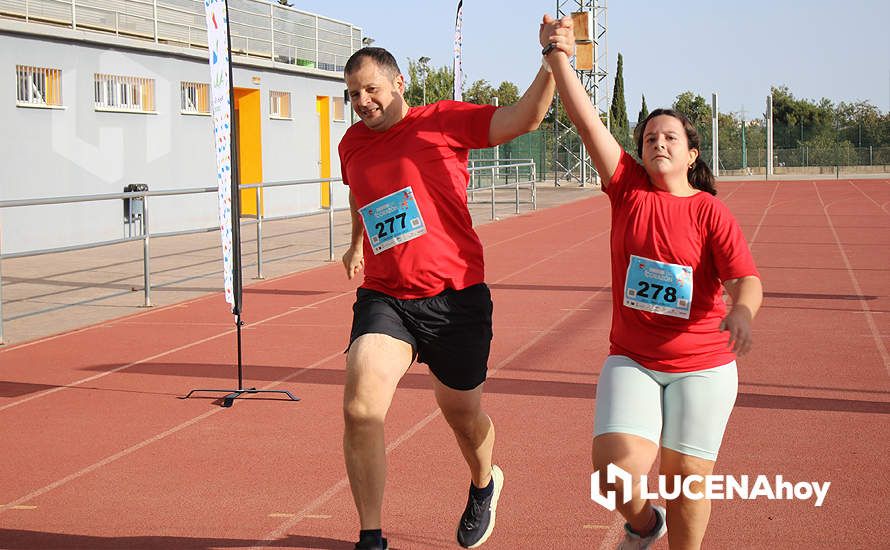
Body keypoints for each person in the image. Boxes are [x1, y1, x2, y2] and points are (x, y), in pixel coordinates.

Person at [541, 15, 764, 550]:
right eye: (649, 136)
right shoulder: (627, 190)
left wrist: (742, 311)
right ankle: (644, 524)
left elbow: (747, 279)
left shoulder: (711, 212)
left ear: (691, 153)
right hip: (634, 358)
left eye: (670, 136)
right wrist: (558, 58)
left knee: (687, 480)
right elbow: (588, 122)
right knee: (613, 474)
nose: (657, 142)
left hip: (703, 364)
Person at [338, 31, 558, 550]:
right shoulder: (351, 143)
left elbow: (524, 118)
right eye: (352, 94)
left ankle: (485, 483)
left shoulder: (442, 120)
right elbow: (360, 193)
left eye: (370, 89)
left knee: (463, 417)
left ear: (398, 82)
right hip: (386, 295)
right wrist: (354, 245)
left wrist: (553, 62)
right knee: (360, 403)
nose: (362, 102)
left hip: (455, 298)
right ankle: (371, 535)